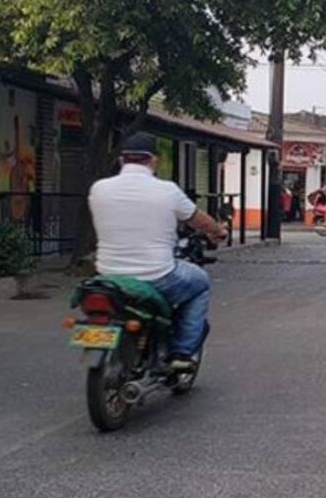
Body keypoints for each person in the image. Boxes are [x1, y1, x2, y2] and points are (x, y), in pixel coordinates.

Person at [89, 132, 228, 370]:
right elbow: (199, 221)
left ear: (122, 161)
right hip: (157, 275)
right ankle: (182, 353)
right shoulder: (167, 191)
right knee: (200, 282)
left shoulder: (99, 189)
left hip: (107, 275)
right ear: (154, 161)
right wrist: (218, 231)